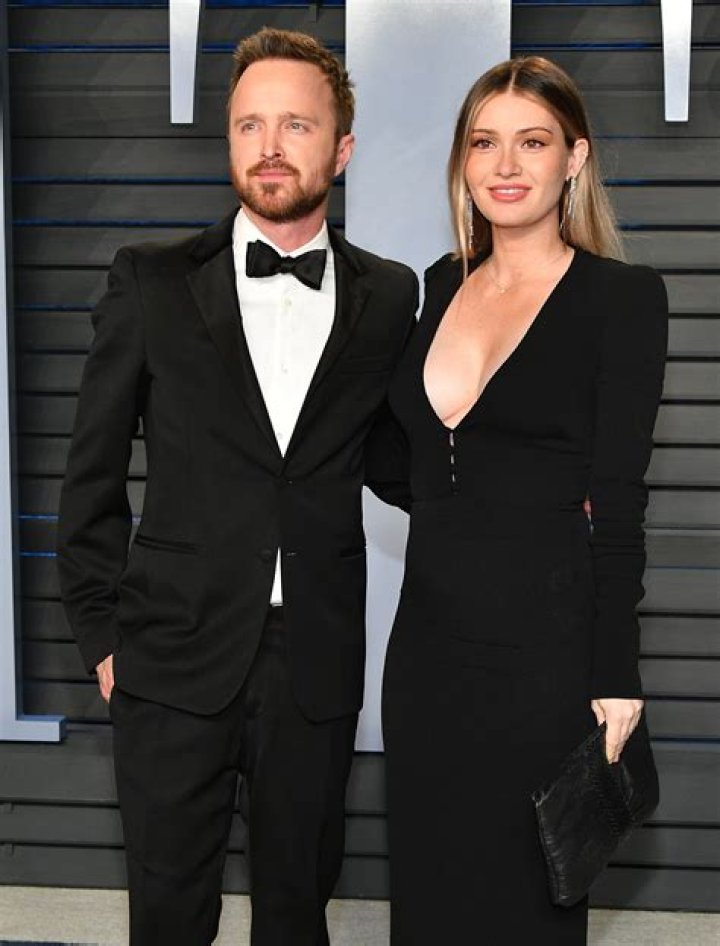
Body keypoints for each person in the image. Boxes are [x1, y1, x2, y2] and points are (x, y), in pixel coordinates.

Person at [57, 28, 417, 946]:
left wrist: (528, 485)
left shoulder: (390, 296)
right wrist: (103, 638)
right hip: (169, 655)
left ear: (342, 147)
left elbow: (394, 459)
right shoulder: (151, 282)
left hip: (316, 664)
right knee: (168, 916)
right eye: (249, 124)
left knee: (297, 914)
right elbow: (91, 474)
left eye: (297, 124)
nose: (270, 146)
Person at [382, 56, 668, 944]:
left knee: (528, 902)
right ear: (464, 162)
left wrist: (616, 674)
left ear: (574, 158)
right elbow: (410, 459)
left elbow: (619, 500)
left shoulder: (622, 298)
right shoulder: (441, 282)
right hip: (428, 651)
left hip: (547, 653)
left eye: (533, 142)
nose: (506, 165)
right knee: (429, 895)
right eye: (485, 143)